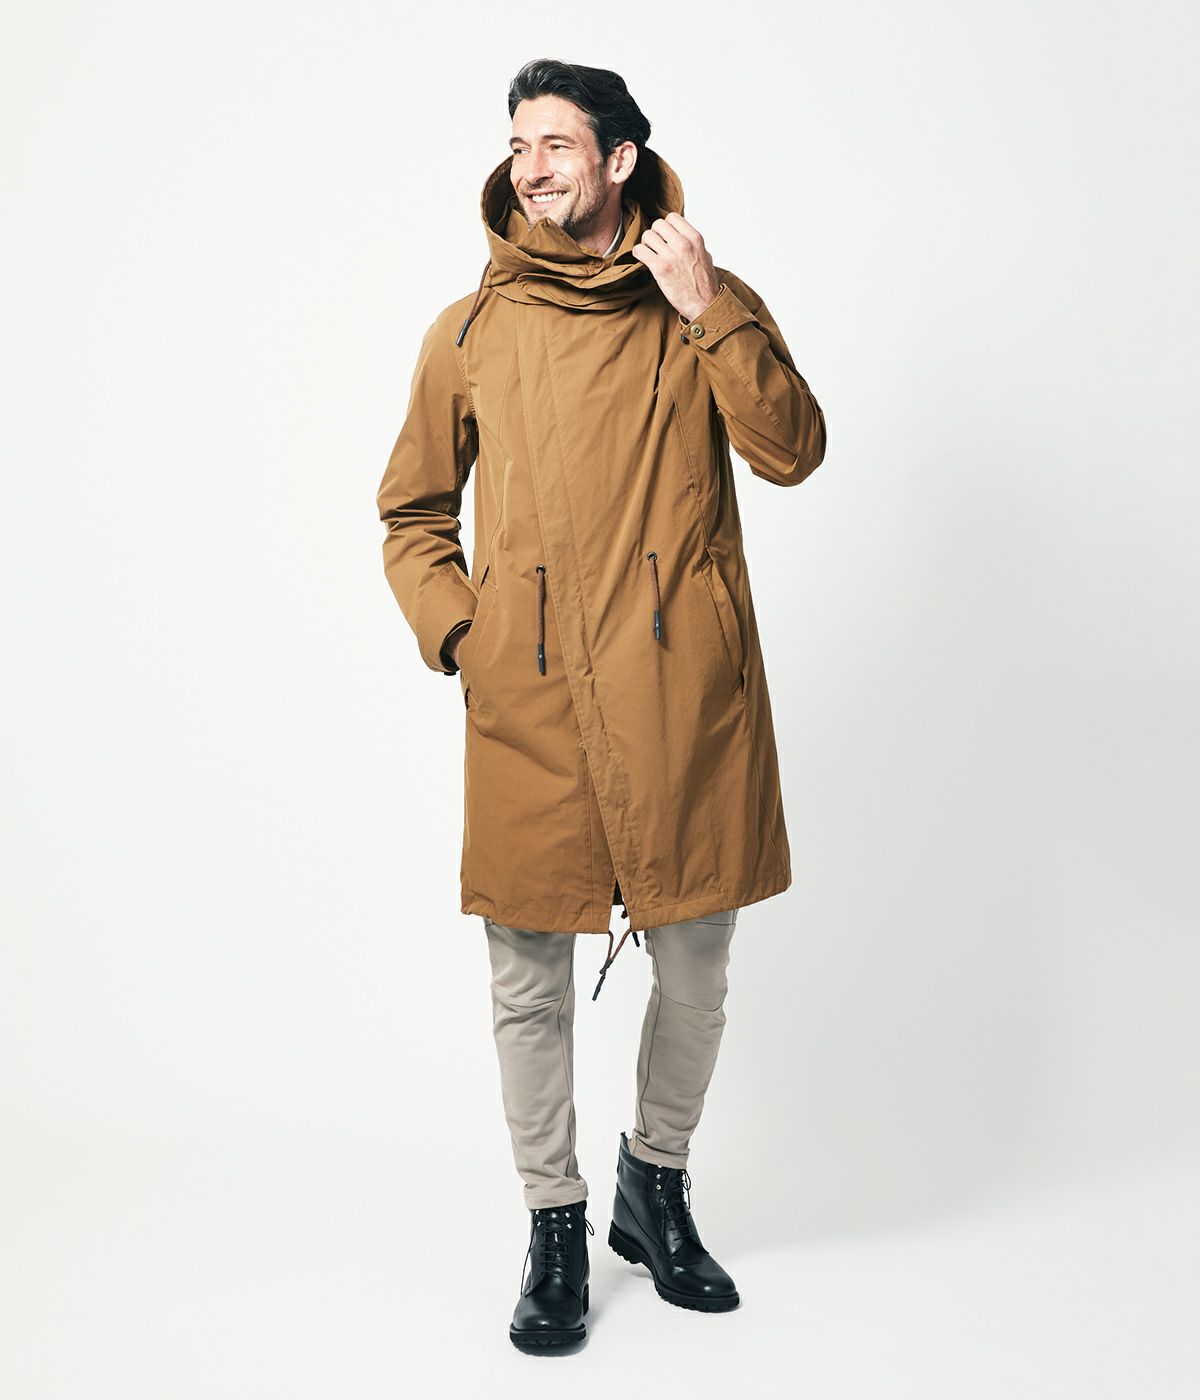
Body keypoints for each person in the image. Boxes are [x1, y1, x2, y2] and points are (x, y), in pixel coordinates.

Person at [375, 57, 827, 1350]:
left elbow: (792, 449)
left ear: (620, 159)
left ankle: (656, 1186)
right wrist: (465, 634)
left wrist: (711, 311)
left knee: (697, 967)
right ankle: (556, 1221)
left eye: (557, 145)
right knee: (527, 980)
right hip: (532, 700)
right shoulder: (470, 332)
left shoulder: (702, 299)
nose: (530, 168)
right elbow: (412, 512)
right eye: (520, 145)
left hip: (683, 696)